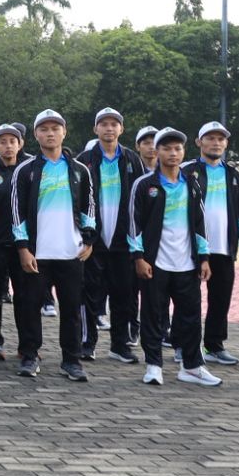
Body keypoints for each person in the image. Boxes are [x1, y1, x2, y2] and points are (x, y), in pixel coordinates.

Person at [128, 128, 220, 388]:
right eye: (166, 148)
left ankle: (191, 366)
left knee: (190, 316)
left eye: (177, 148)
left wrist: (204, 258)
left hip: (187, 263)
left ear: (183, 152)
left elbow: (200, 223)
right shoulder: (145, 185)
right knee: (153, 315)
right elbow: (134, 224)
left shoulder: (192, 183)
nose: (172, 153)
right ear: (156, 152)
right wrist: (139, 257)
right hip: (155, 263)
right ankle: (154, 365)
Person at [9, 110, 94, 381]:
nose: (49, 133)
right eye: (43, 129)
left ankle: (71, 360)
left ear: (64, 132)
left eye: (54, 128)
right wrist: (23, 247)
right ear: (35, 135)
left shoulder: (79, 170)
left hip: (70, 252)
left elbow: (89, 205)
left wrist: (89, 239)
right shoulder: (27, 170)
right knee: (30, 306)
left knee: (71, 309)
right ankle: (30, 356)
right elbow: (16, 211)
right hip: (37, 252)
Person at [76, 108, 145, 362]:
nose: (109, 128)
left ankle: (119, 344)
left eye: (113, 124)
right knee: (89, 292)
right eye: (103, 124)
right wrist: (85, 236)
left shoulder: (131, 160)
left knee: (124, 294)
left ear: (121, 129)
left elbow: (139, 200)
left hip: (123, 239)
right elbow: (78, 199)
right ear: (95, 129)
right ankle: (87, 341)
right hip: (93, 239)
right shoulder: (84, 159)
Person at [183, 122, 239, 366]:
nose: (216, 143)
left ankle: (214, 346)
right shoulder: (186, 171)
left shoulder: (234, 175)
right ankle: (184, 345)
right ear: (199, 142)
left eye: (221, 138)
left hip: (223, 247)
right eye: (210, 138)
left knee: (220, 300)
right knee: (188, 300)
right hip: (192, 248)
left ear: (226, 143)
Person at [0, 122, 32, 362]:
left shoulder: (29, 170)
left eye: (12, 141)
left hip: (23, 246)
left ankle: (26, 345)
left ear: (20, 143)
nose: (8, 146)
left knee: (24, 295)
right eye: (2, 142)